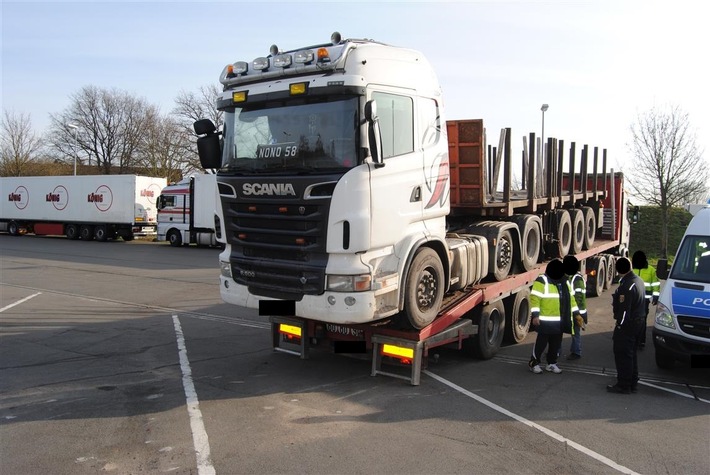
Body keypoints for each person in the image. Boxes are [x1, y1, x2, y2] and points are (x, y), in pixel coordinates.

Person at [529, 258, 579, 374]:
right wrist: (535, 315)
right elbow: (535, 298)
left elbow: (571, 300)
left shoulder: (564, 282)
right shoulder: (542, 280)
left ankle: (551, 363)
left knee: (555, 345)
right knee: (541, 344)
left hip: (559, 321)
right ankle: (534, 363)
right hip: (545, 320)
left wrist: (577, 314)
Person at [608, 256, 646, 394]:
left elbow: (624, 310)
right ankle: (632, 382)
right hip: (639, 322)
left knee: (622, 354)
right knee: (631, 354)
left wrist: (620, 325)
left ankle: (623, 384)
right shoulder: (639, 281)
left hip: (628, 325)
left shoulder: (627, 286)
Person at [631, 250, 660, 349]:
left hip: (644, 301)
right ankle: (633, 340)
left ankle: (641, 341)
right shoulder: (632, 269)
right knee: (632, 320)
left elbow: (655, 284)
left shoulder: (651, 270)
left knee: (642, 321)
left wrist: (656, 296)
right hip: (632, 300)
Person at [563, 255, 587, 360]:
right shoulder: (571, 277)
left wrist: (575, 312)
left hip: (577, 312)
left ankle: (576, 352)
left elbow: (579, 297)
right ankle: (557, 351)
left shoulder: (577, 279)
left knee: (575, 333)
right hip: (573, 311)